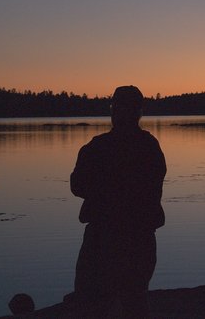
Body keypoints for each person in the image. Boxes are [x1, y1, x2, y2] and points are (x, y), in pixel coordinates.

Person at [68, 85, 166, 318]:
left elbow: (77, 186)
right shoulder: (150, 147)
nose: (116, 112)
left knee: (95, 302)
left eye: (117, 107)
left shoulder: (97, 147)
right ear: (139, 112)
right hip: (138, 237)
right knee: (134, 300)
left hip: (104, 238)